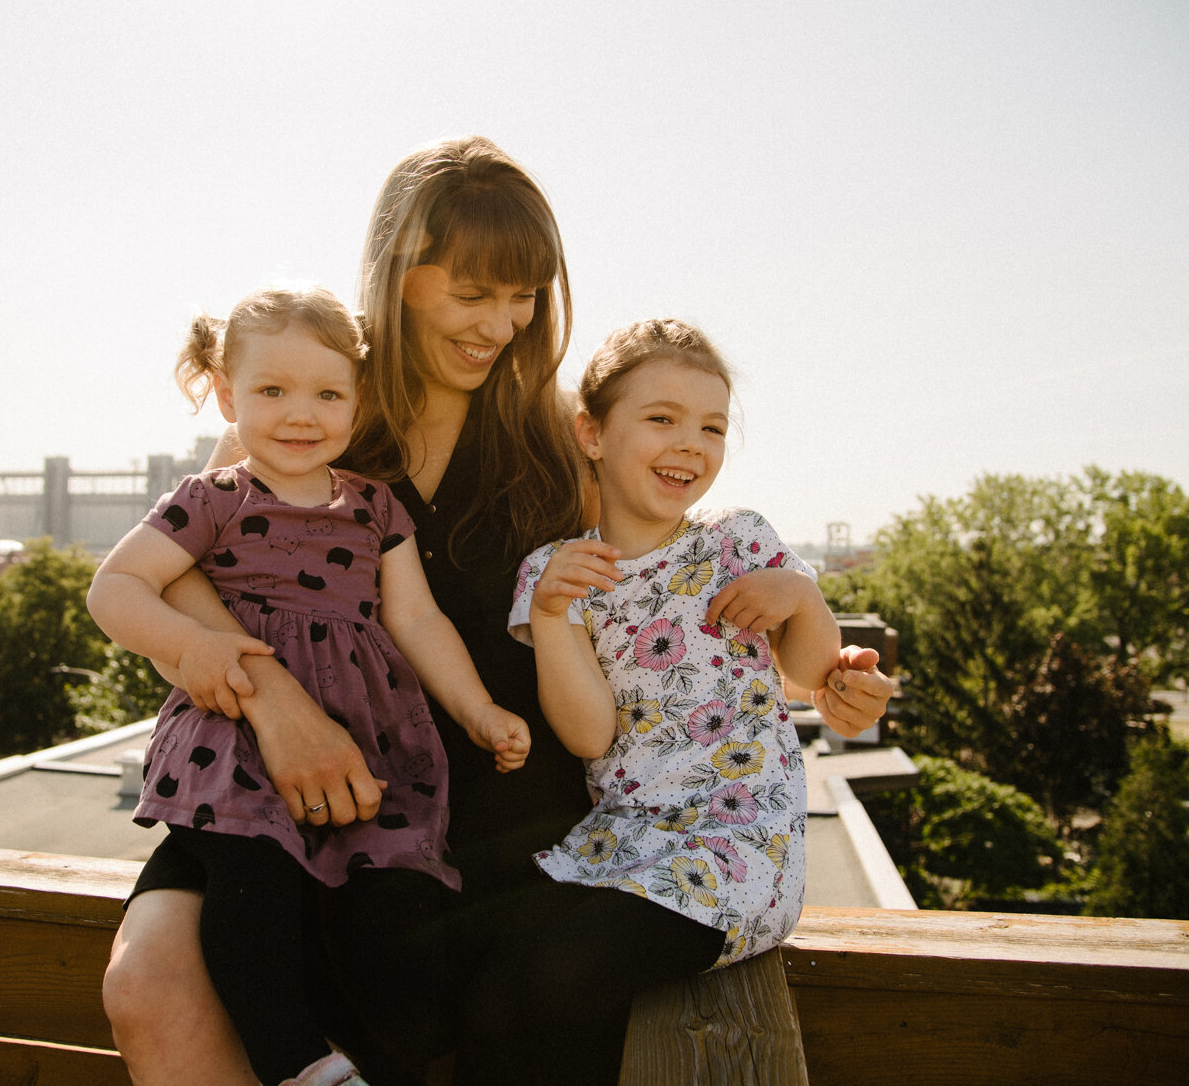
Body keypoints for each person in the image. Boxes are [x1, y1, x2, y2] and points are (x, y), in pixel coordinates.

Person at [99, 137, 896, 1086]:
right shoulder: (312, 404)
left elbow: (667, 574)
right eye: (472, 294)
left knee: (442, 1005)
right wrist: (274, 702)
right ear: (399, 276)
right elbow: (175, 579)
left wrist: (813, 648)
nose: (501, 325)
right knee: (150, 982)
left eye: (522, 295)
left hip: (482, 822)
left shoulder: (553, 439)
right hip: (275, 789)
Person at [86, 286, 531, 1086]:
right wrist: (196, 652)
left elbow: (418, 621)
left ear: (361, 399)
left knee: (384, 916)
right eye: (271, 392)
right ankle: (299, 1064)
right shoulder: (210, 501)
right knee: (250, 890)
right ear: (227, 396)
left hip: (363, 748)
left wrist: (477, 710)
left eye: (328, 394)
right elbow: (114, 589)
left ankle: (361, 1061)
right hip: (235, 744)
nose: (301, 413)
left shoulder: (373, 507)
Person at [481, 318, 837, 1083]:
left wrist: (803, 600)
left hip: (738, 851)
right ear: (592, 433)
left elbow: (809, 672)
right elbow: (588, 733)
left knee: (568, 966)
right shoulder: (557, 570)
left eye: (711, 426)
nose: (691, 444)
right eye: (662, 418)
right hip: (621, 845)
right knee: (497, 963)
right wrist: (550, 618)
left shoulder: (736, 541)